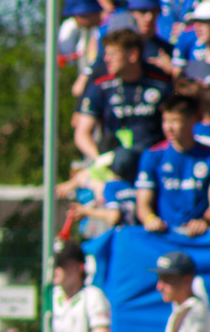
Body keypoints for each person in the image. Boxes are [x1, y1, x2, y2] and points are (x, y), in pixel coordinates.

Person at [76, 29, 173, 162]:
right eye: (106, 54)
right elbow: (82, 134)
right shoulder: (101, 87)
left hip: (155, 159)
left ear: (133, 54)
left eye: (113, 54)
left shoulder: (160, 84)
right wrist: (101, 160)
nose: (106, 59)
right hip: (115, 160)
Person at [136, 93, 210, 235]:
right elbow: (143, 204)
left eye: (175, 121)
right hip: (166, 234)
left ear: (193, 120)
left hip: (200, 234)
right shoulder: (153, 155)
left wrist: (204, 221)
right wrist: (150, 219)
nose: (169, 128)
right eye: (165, 121)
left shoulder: (207, 156)